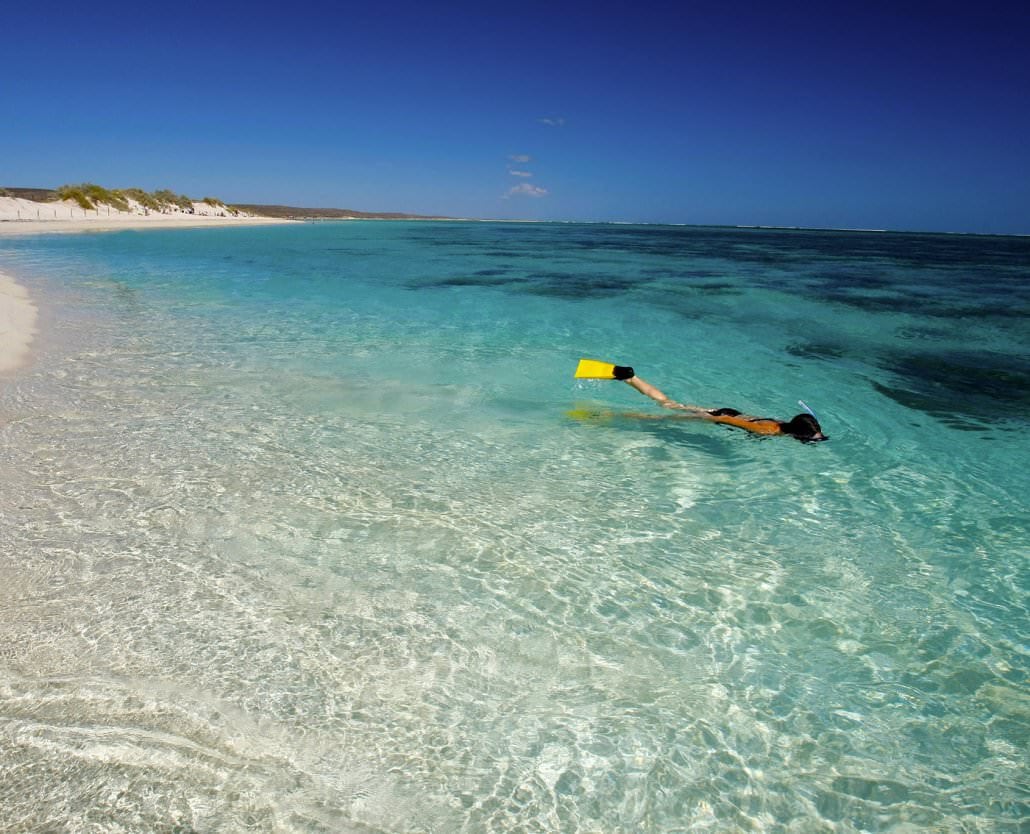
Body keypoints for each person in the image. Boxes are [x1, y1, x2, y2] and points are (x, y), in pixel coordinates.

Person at [610, 365, 828, 442]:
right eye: (811, 438)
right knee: (662, 417)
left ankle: (630, 378)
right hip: (721, 417)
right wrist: (706, 418)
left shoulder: (787, 425)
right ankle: (614, 415)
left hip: (730, 412)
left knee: (669, 404)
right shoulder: (768, 430)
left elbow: (807, 424)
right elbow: (728, 420)